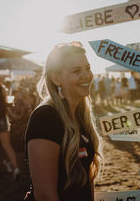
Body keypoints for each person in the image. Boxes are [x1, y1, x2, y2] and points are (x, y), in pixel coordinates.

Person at [25, 42, 101, 201]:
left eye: (87, 67)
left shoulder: (80, 115)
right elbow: (45, 196)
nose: (86, 75)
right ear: (56, 79)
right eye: (76, 71)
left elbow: (87, 177)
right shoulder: (46, 117)